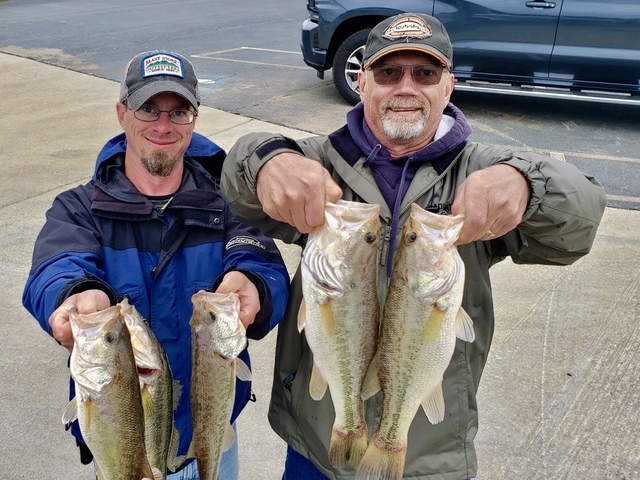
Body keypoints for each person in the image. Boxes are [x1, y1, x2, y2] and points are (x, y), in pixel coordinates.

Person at [220, 13, 607, 480]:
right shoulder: (321, 161)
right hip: (318, 445)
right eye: (388, 73)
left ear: (449, 86)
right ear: (361, 82)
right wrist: (267, 160)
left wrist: (530, 184)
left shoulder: (482, 169)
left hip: (430, 458)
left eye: (425, 73)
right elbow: (235, 180)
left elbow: (579, 226)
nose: (406, 86)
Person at [22, 50, 290, 480]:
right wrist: (74, 292)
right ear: (122, 113)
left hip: (208, 440)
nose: (163, 126)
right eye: (149, 109)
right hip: (122, 442)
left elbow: (262, 260)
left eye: (178, 111)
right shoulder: (77, 208)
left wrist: (254, 283)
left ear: (195, 118)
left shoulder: (229, 204)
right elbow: (57, 263)